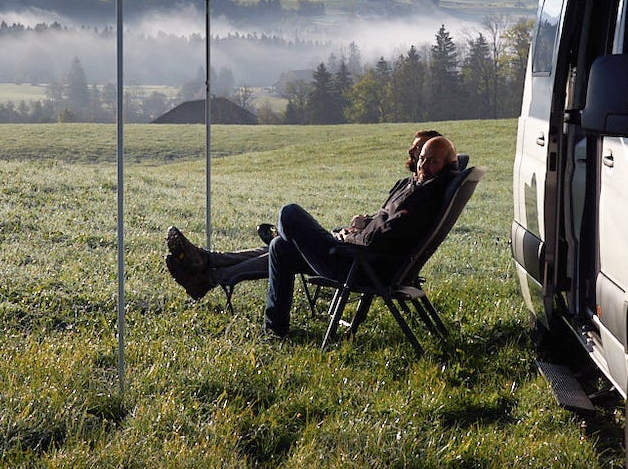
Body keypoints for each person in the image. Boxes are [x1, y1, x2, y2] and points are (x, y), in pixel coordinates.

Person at [164, 130, 463, 338]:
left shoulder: (425, 197)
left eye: (429, 159)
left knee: (289, 214)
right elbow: (386, 225)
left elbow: (383, 236)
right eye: (421, 155)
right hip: (359, 256)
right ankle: (271, 326)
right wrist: (362, 224)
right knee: (281, 248)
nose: (420, 162)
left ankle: (210, 265)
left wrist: (350, 238)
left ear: (446, 165)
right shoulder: (420, 188)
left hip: (357, 264)